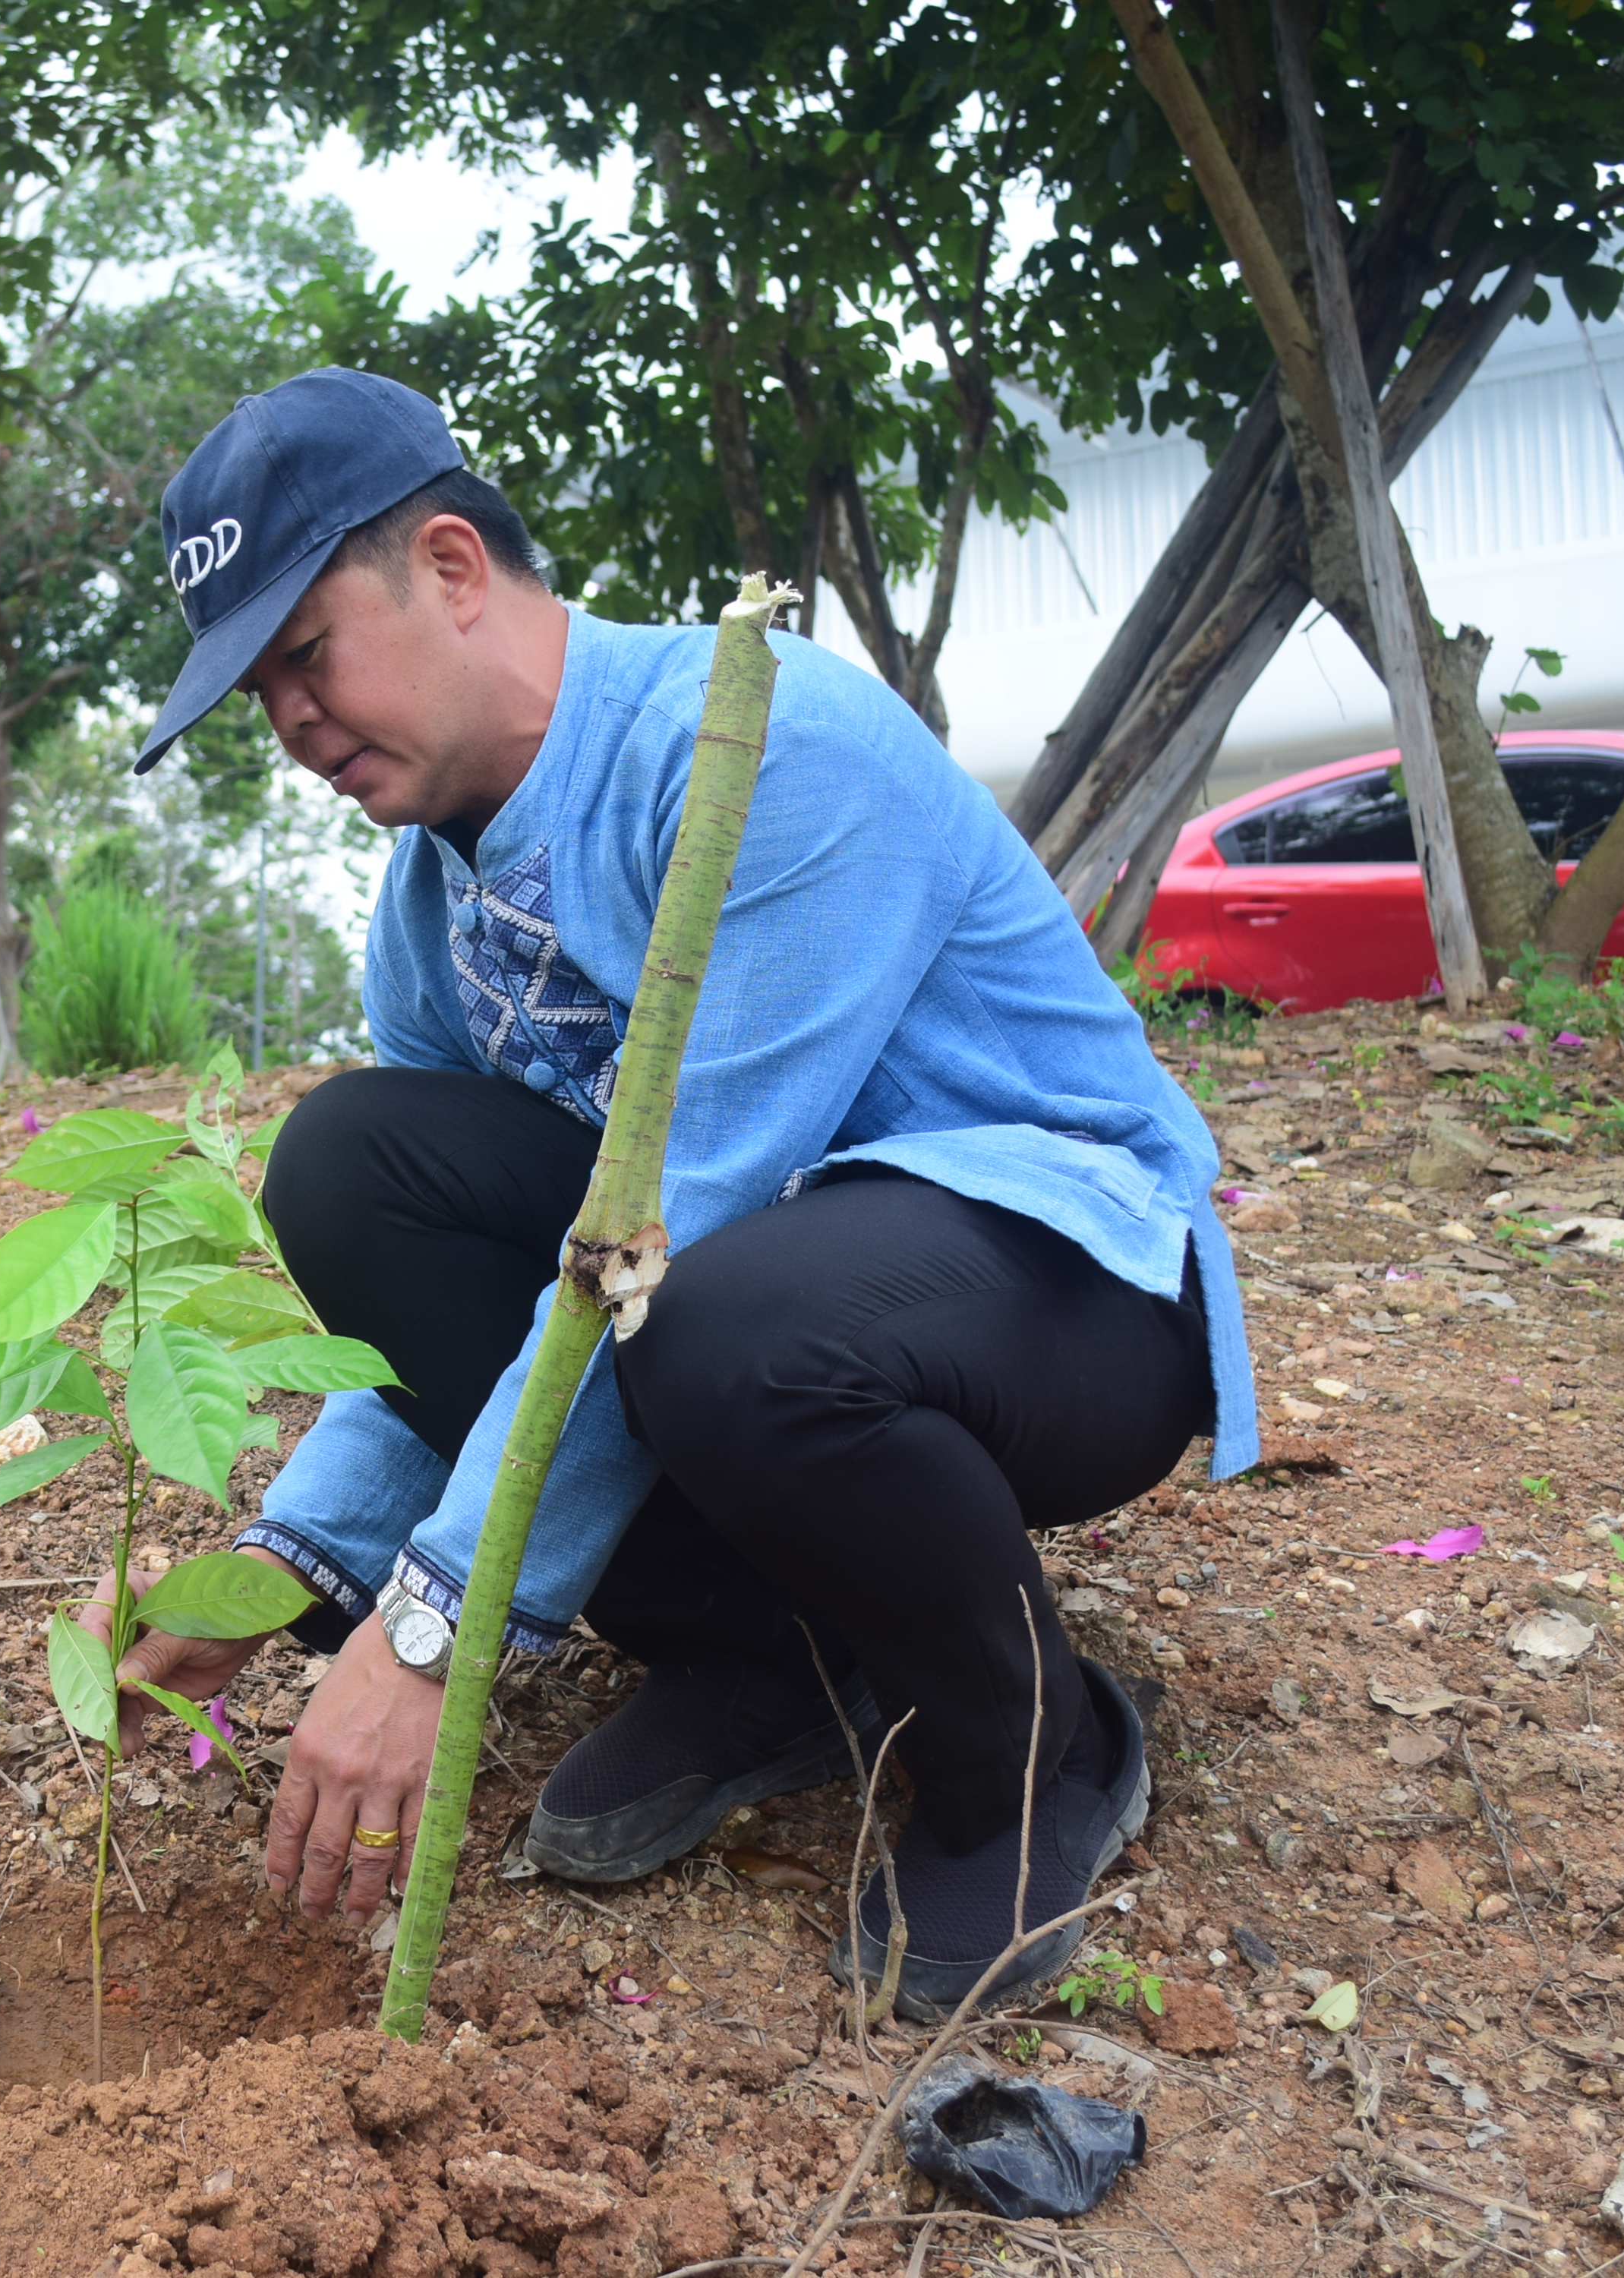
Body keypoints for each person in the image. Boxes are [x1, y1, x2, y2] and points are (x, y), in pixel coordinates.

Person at [96, 370, 1260, 2019]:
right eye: (253, 694)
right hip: (736, 1292)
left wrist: (433, 1630)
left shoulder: (753, 750)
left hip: (1057, 1290)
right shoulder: (431, 897)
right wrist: (292, 1561)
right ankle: (771, 1662)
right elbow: (503, 1300)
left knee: (718, 1320)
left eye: (304, 655)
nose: (287, 723)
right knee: (355, 1167)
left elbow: (672, 1227)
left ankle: (1031, 1757)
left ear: (447, 566)